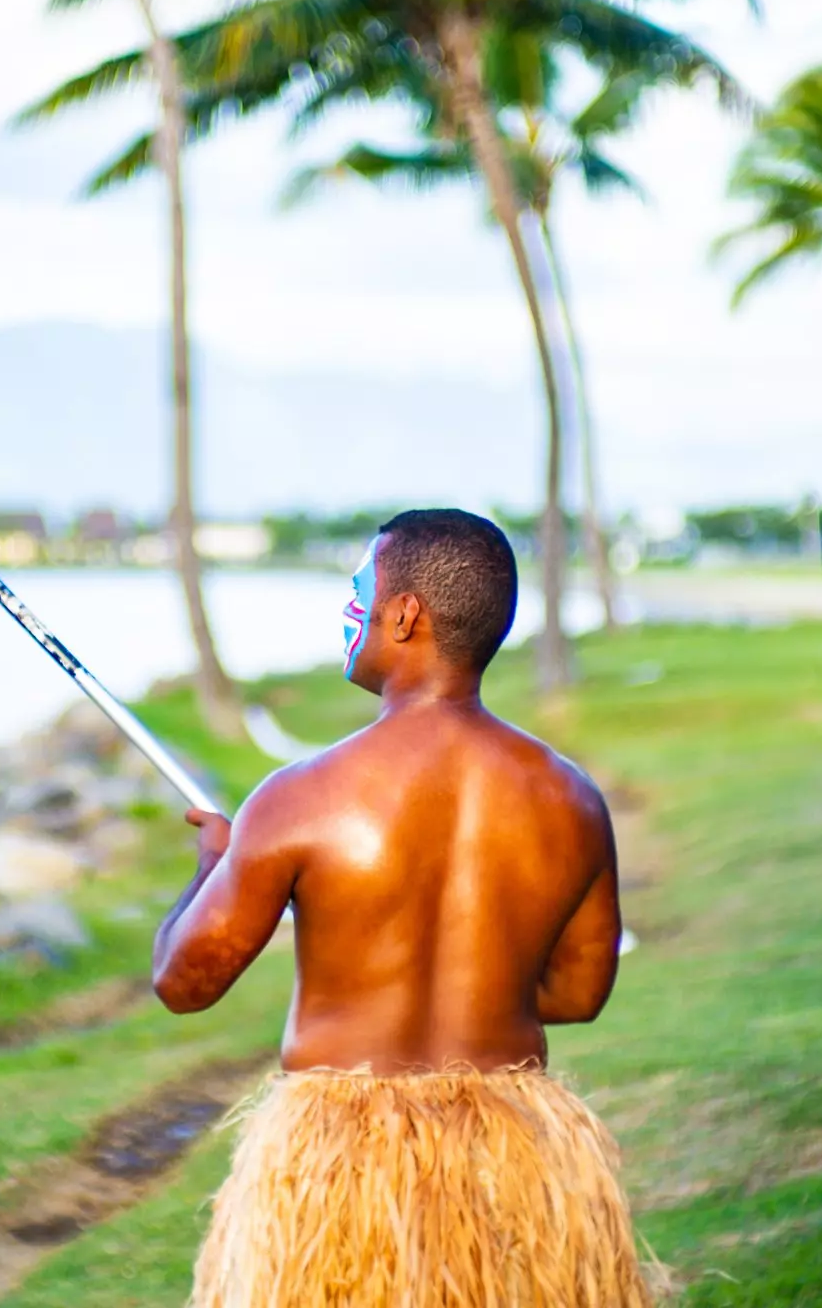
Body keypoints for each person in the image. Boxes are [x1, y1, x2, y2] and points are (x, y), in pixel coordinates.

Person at [152, 508, 648, 1308]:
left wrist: (211, 866)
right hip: (512, 1166)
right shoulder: (571, 799)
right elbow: (581, 995)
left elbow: (184, 980)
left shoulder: (299, 796)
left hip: (336, 1176)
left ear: (406, 613)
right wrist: (477, 981)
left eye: (360, 588)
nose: (350, 608)